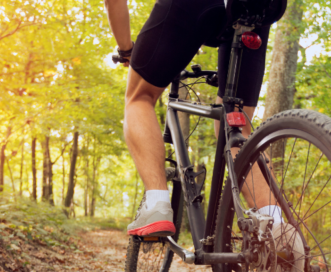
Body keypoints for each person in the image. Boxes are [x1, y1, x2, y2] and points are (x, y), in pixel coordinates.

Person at [104, 0, 304, 269]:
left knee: (139, 97)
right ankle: (276, 226)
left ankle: (157, 203)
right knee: (236, 123)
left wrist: (126, 48)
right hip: (262, 7)